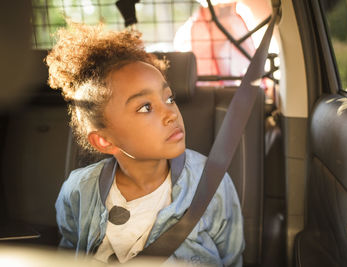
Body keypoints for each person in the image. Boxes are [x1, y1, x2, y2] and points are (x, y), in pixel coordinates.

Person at [46, 23, 244, 266]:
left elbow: (231, 257)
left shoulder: (211, 182)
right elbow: (69, 253)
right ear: (104, 140)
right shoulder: (79, 189)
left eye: (169, 98)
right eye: (145, 108)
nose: (171, 114)